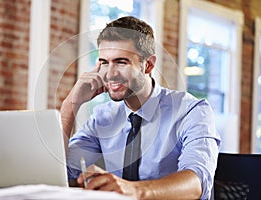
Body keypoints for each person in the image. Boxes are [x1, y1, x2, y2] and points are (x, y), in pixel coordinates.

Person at [61, 16, 220, 200]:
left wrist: (134, 191)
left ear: (148, 65)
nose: (110, 74)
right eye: (104, 62)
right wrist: (69, 106)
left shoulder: (192, 110)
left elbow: (196, 182)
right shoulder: (102, 118)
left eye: (121, 62)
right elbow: (62, 173)